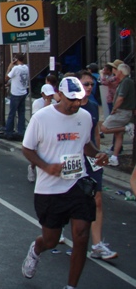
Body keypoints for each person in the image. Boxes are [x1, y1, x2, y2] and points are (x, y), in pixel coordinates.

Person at [21, 77, 109, 289]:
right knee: (51, 240)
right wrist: (46, 167)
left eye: (79, 99)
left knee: (81, 235)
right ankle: (36, 249)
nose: (75, 104)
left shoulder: (85, 117)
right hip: (49, 189)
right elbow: (27, 148)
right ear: (59, 95)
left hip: (77, 184)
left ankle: (71, 286)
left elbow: (84, 144)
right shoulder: (42, 118)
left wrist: (98, 155)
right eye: (71, 100)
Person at [77, 70, 117, 260]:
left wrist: (99, 157)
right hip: (73, 159)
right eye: (85, 84)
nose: (89, 88)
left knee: (97, 199)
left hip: (91, 158)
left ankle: (97, 244)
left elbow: (94, 134)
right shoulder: (69, 107)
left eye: (91, 84)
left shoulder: (93, 107)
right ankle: (58, 231)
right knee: (73, 200)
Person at [100, 63, 135, 166]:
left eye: (116, 70)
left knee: (104, 128)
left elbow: (121, 98)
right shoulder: (126, 81)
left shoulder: (126, 82)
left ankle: (127, 128)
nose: (115, 72)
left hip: (122, 111)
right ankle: (115, 158)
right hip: (125, 111)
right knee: (118, 135)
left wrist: (114, 109)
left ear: (120, 72)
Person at [4, 53, 29, 140]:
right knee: (21, 113)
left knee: (12, 113)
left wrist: (9, 67)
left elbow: (6, 78)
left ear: (16, 59)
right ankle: (21, 131)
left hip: (16, 93)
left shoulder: (15, 68)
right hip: (23, 92)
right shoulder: (26, 67)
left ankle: (9, 132)